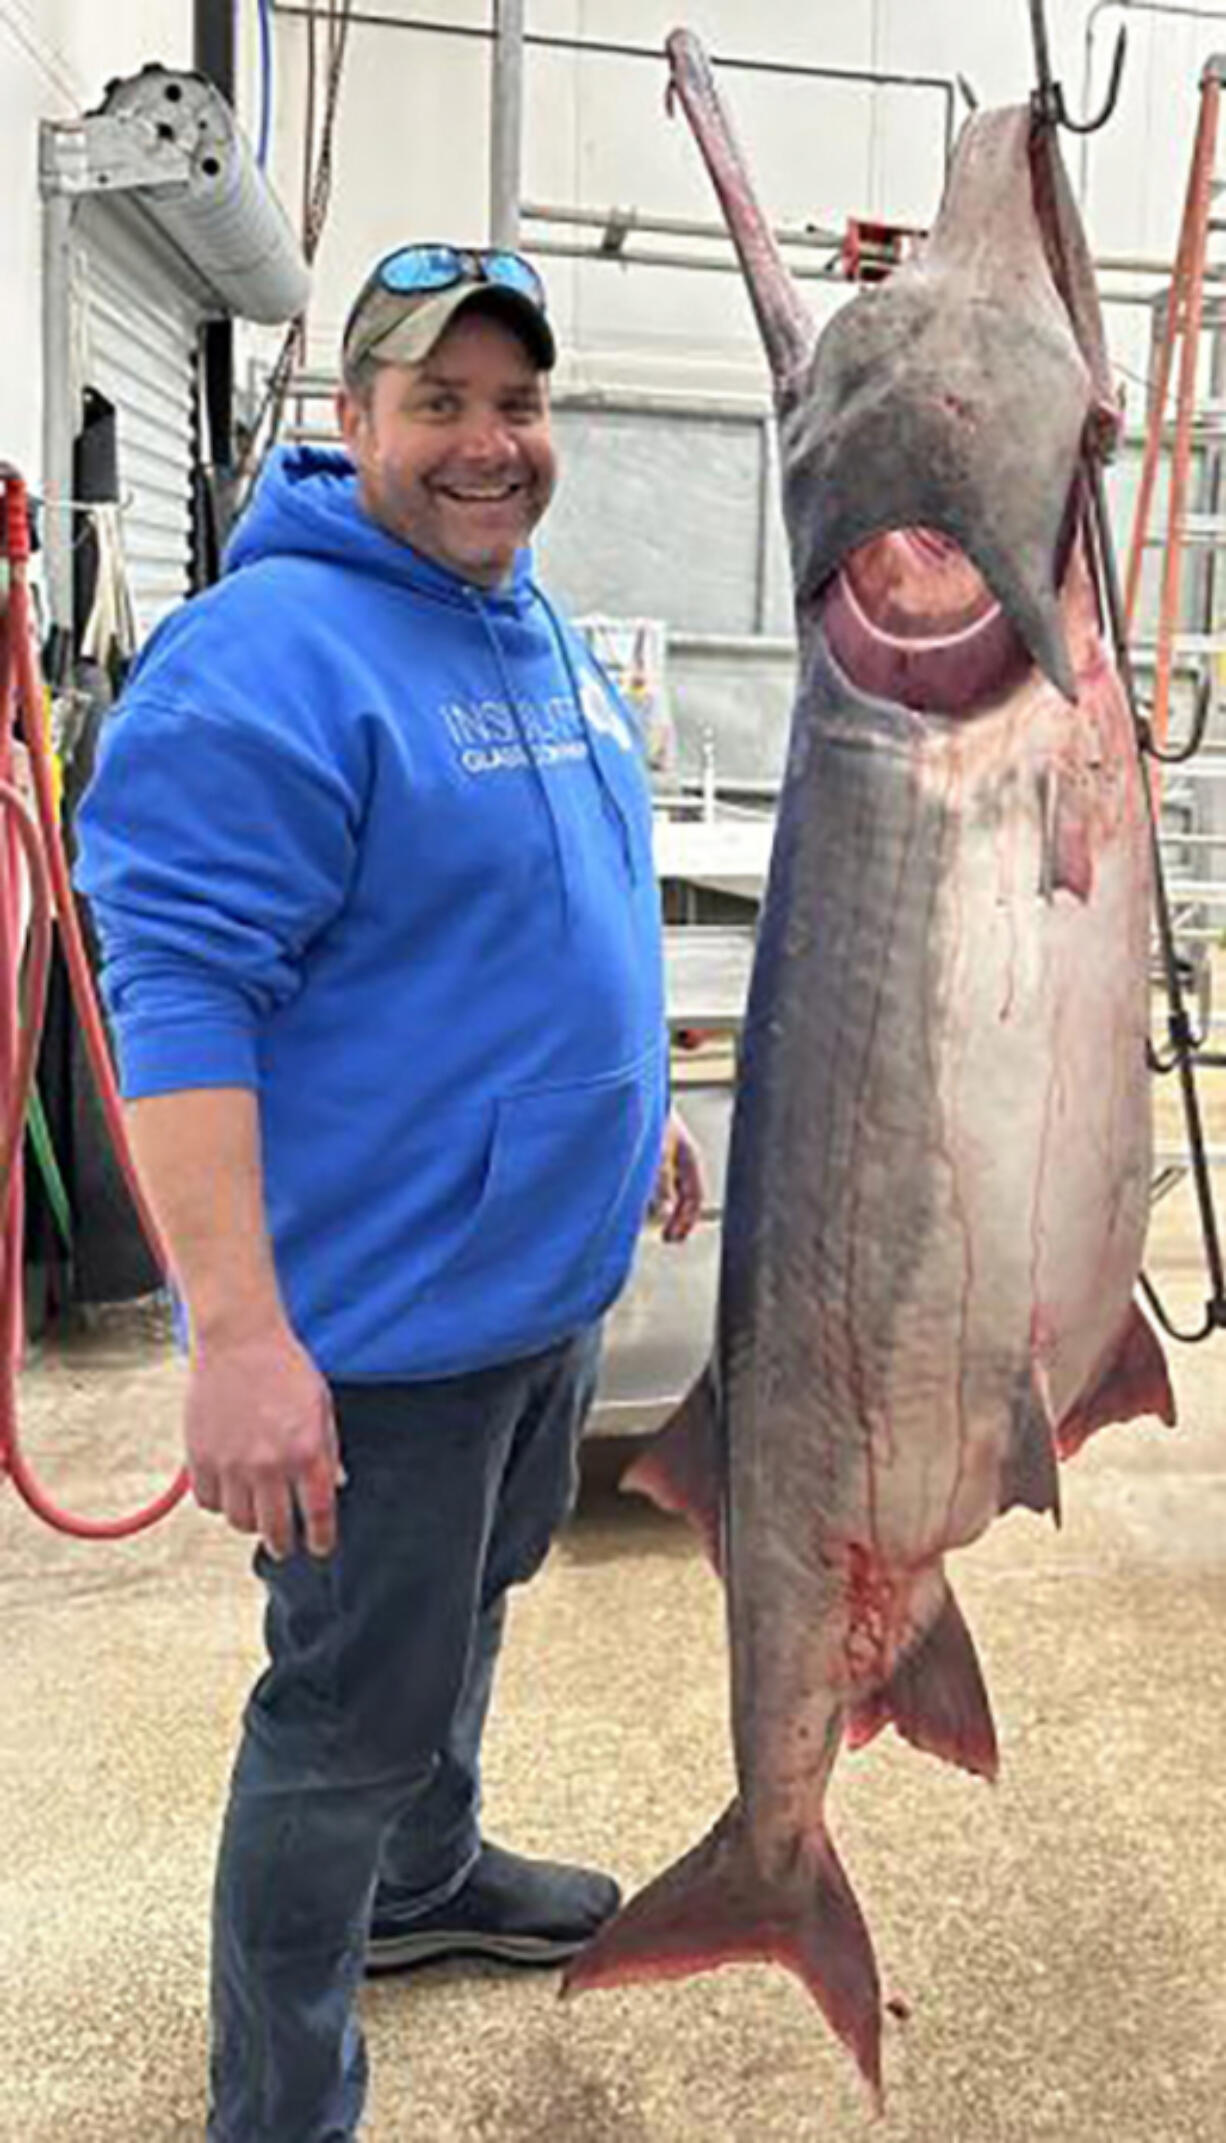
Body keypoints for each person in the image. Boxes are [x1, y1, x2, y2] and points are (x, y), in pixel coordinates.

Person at [74, 241, 703, 2143]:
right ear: (351, 426)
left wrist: (630, 1110)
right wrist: (240, 1339)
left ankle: (426, 1892)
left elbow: (543, 919)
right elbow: (178, 1004)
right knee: (341, 1718)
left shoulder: (533, 626)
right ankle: (280, 2106)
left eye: (515, 405)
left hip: (539, 1279)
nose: (487, 443)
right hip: (387, 1330)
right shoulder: (262, 664)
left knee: (471, 1615)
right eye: (437, 402)